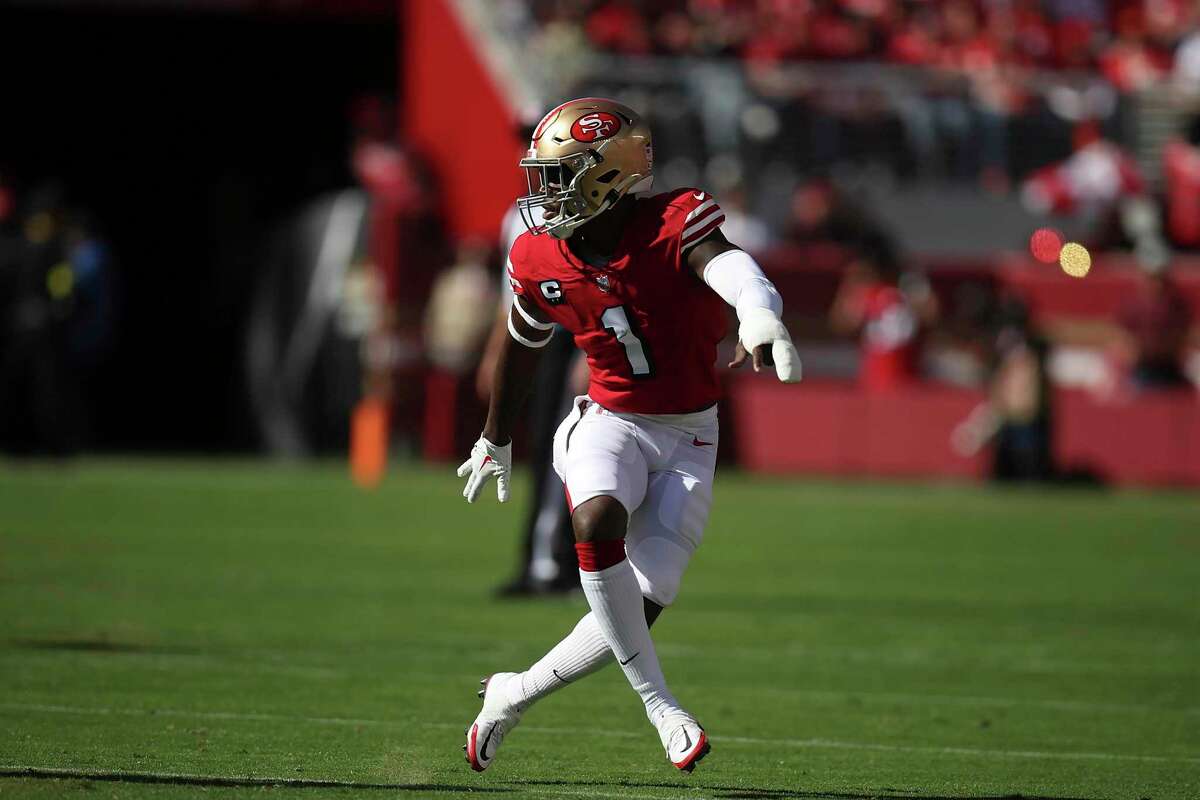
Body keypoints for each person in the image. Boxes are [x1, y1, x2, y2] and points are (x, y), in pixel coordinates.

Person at [454, 98, 801, 773]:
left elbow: (728, 265)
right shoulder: (536, 253)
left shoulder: (674, 221)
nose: (544, 193)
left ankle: (513, 692)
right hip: (607, 421)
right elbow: (522, 348)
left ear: (607, 175)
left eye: (560, 176)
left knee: (641, 604)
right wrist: (495, 437)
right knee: (594, 519)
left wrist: (758, 311)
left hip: (691, 437)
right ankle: (662, 706)